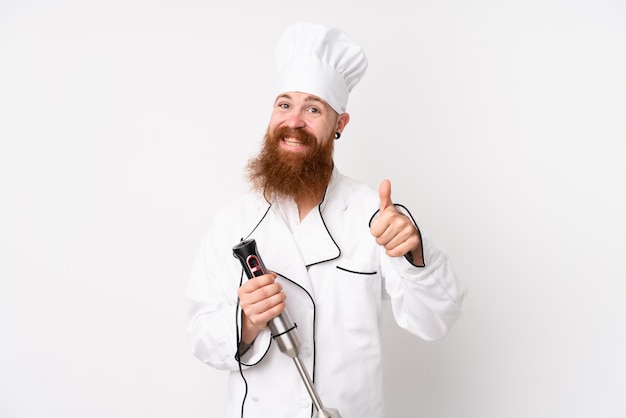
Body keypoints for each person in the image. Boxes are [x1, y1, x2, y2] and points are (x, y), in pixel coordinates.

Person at [187, 21, 466, 418]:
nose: (294, 122)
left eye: (313, 109)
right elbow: (200, 337)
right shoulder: (233, 221)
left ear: (340, 124)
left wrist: (415, 254)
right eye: (284, 105)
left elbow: (435, 321)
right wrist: (245, 323)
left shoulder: (374, 214)